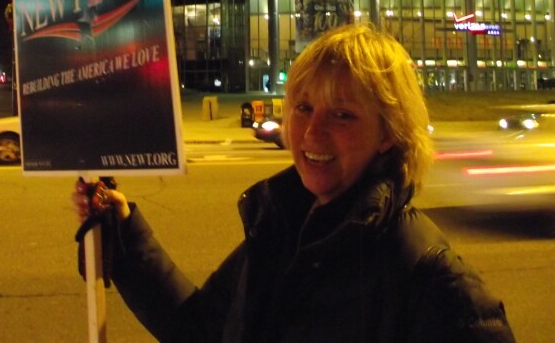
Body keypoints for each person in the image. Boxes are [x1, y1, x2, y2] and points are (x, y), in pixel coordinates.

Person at [73, 24, 515, 341]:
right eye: (302, 108)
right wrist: (125, 230)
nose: (311, 132)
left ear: (389, 134)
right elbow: (201, 328)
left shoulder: (432, 282)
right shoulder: (281, 229)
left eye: (342, 114)